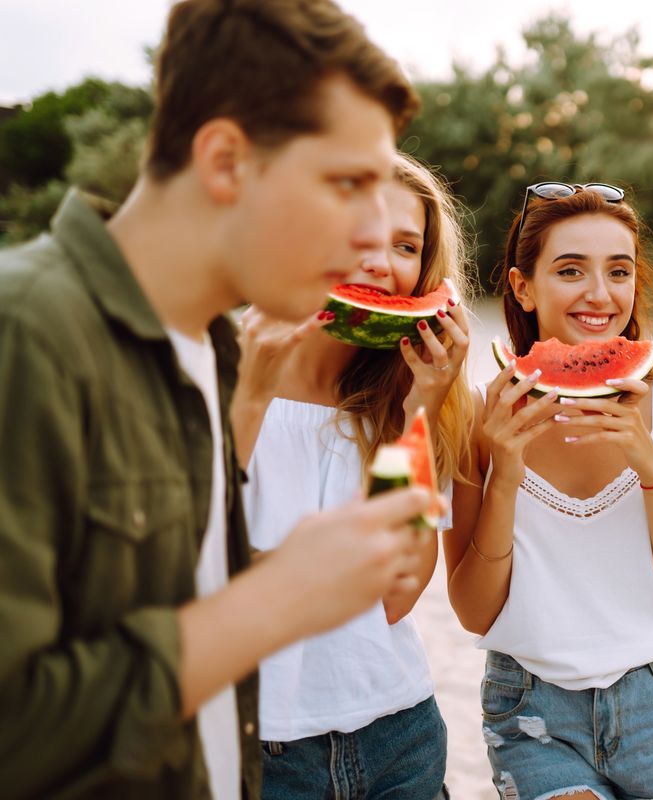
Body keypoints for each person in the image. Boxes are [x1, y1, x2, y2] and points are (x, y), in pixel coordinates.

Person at [0, 2, 430, 798]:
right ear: (227, 160)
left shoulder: (211, 351)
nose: (379, 239)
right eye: (348, 183)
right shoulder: (26, 331)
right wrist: (277, 600)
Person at [445, 183, 653, 800]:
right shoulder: (480, 419)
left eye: (619, 271)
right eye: (570, 270)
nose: (600, 294)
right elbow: (475, 611)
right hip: (530, 713)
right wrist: (505, 471)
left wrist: (647, 461)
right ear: (522, 286)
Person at [232, 152, 472, 800]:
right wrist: (249, 394)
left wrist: (421, 407)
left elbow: (396, 593)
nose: (379, 262)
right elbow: (187, 559)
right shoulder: (212, 361)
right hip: (258, 744)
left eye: (405, 246)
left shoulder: (401, 400)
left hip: (400, 734)